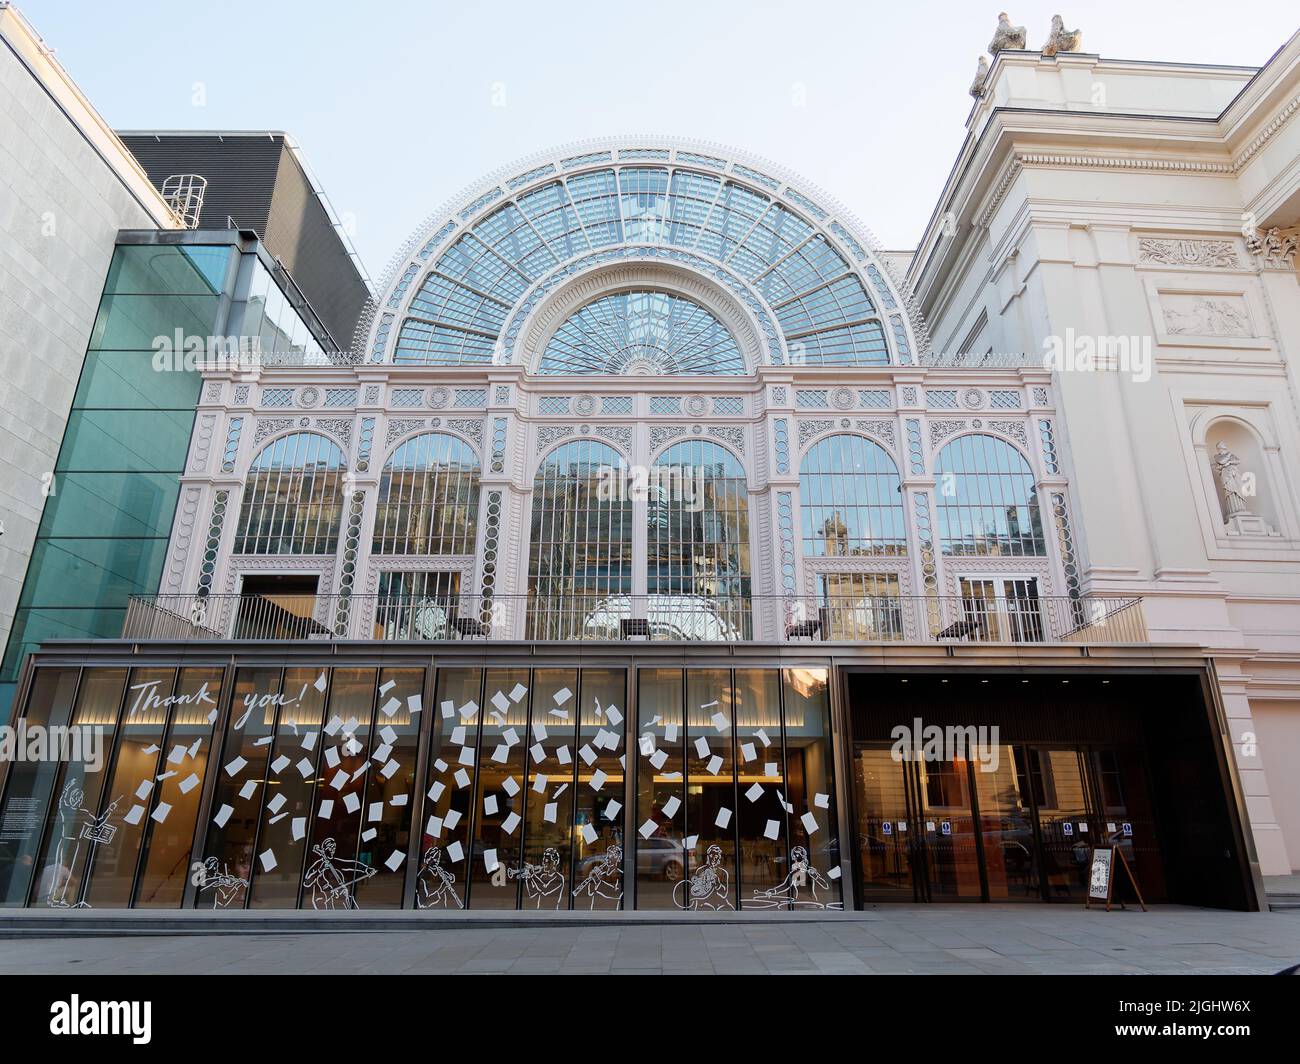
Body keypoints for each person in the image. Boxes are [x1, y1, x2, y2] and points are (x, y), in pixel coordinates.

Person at [303, 838, 376, 909]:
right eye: (330, 847)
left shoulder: (335, 862)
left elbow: (351, 863)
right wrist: (320, 869)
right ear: (324, 849)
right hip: (323, 899)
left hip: (338, 896)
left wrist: (366, 869)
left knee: (347, 902)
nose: (333, 850)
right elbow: (307, 882)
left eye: (334, 847)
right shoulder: (318, 865)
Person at [673, 843, 732, 910]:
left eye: (716, 856)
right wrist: (698, 881)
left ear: (719, 858)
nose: (713, 858)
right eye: (711, 855)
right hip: (703, 902)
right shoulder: (700, 870)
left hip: (718, 903)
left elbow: (724, 894)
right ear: (708, 857)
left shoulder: (723, 873)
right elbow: (694, 889)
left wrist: (717, 884)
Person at [572, 843, 622, 908]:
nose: (607, 858)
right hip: (595, 906)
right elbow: (590, 892)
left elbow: (617, 893)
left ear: (616, 858)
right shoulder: (603, 873)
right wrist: (591, 878)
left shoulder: (618, 874)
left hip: (609, 908)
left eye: (609, 856)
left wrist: (599, 880)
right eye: (607, 855)